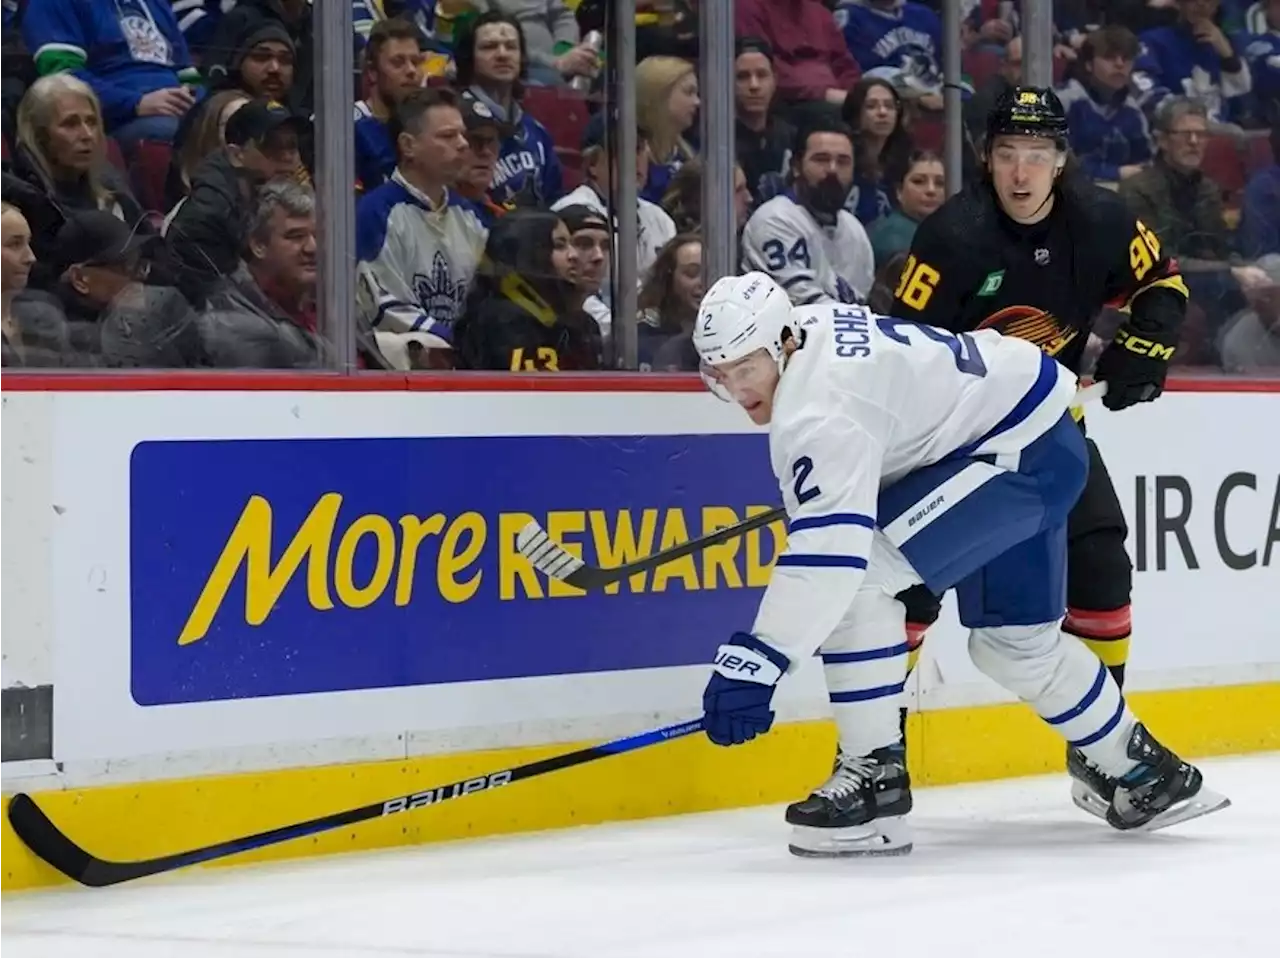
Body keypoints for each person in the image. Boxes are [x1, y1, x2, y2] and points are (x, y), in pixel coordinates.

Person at [692, 271, 1228, 857]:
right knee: (1011, 645)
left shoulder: (819, 412)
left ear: (783, 345)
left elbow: (831, 559)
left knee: (862, 579)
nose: (736, 388)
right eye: (719, 373)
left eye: (746, 368)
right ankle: (1146, 772)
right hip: (1036, 437)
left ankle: (874, 782)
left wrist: (761, 658)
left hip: (1011, 457)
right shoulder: (810, 329)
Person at [889, 86, 1190, 818]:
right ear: (987, 160)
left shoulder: (1103, 220)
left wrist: (1144, 349)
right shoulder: (952, 239)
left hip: (1046, 427)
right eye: (1006, 156)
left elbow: (1164, 283)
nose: (1020, 174)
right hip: (948, 438)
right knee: (908, 589)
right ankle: (879, 756)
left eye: (1036, 156)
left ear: (1060, 162)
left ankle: (1104, 755)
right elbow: (900, 355)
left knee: (1102, 564)